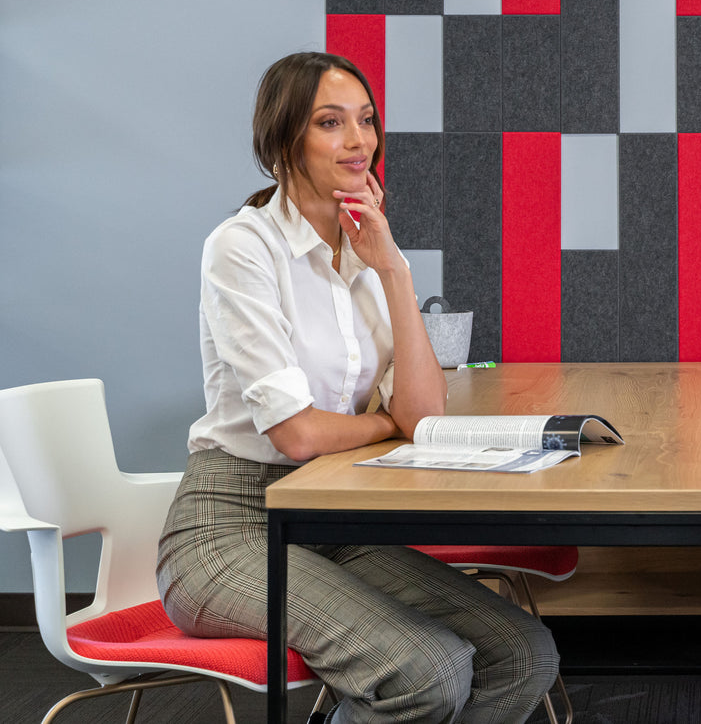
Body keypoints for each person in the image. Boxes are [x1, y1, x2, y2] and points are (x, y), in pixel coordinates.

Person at [156, 51, 559, 724]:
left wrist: (393, 267)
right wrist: (383, 426)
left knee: (523, 652)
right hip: (229, 527)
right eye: (331, 122)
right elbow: (298, 432)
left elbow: (423, 413)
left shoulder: (363, 250)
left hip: (331, 516)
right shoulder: (243, 247)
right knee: (426, 671)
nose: (359, 140)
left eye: (366, 120)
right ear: (284, 140)